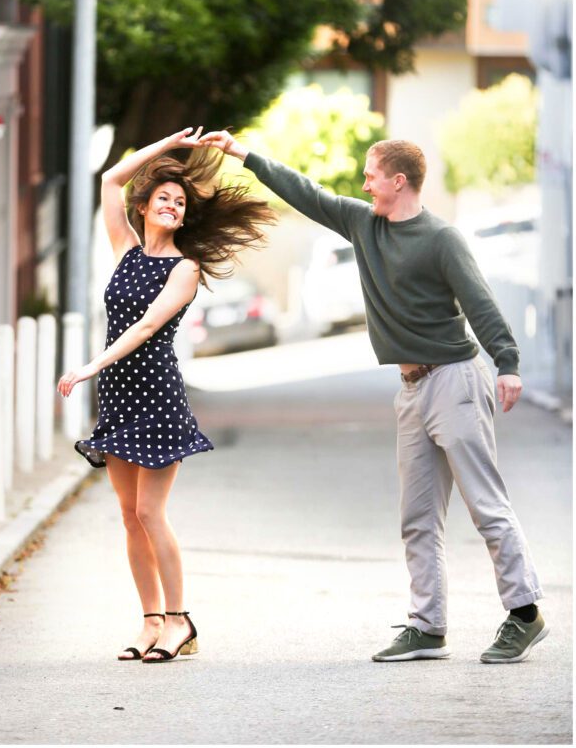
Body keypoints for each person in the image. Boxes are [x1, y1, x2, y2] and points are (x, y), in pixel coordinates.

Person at [200, 129, 547, 665]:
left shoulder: (441, 239)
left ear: (399, 181)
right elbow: (305, 192)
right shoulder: (364, 225)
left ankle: (525, 613)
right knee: (417, 517)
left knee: (485, 505)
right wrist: (244, 155)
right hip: (410, 388)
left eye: (371, 173)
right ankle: (428, 627)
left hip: (455, 378)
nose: (364, 182)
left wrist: (508, 363)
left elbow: (479, 302)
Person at [58, 128, 274, 663]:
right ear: (147, 205)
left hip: (155, 397)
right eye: (164, 198)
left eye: (180, 202)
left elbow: (147, 327)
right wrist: (167, 146)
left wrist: (91, 365)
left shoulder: (184, 269)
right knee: (129, 516)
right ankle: (150, 620)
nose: (173, 206)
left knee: (152, 513)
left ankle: (180, 621)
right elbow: (110, 179)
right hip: (118, 397)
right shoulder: (126, 250)